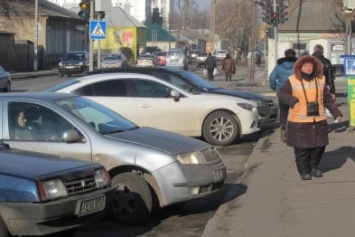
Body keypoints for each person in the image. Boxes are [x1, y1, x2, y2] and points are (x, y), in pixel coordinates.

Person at [277, 55, 343, 181]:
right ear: (300, 68)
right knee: (302, 148)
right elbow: (281, 93)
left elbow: (327, 99)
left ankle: (314, 167)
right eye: (305, 66)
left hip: (318, 120)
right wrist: (292, 101)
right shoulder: (292, 80)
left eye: (310, 66)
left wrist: (336, 112)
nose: (308, 68)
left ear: (315, 67)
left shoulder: (321, 80)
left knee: (319, 146)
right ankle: (304, 171)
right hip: (299, 121)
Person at [269, 49, 297, 142]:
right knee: (295, 111)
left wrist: (275, 88)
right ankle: (294, 131)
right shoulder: (298, 66)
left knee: (284, 111)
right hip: (296, 92)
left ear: (285, 55)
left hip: (282, 92)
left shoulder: (279, 66)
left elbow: (272, 78)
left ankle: (283, 127)